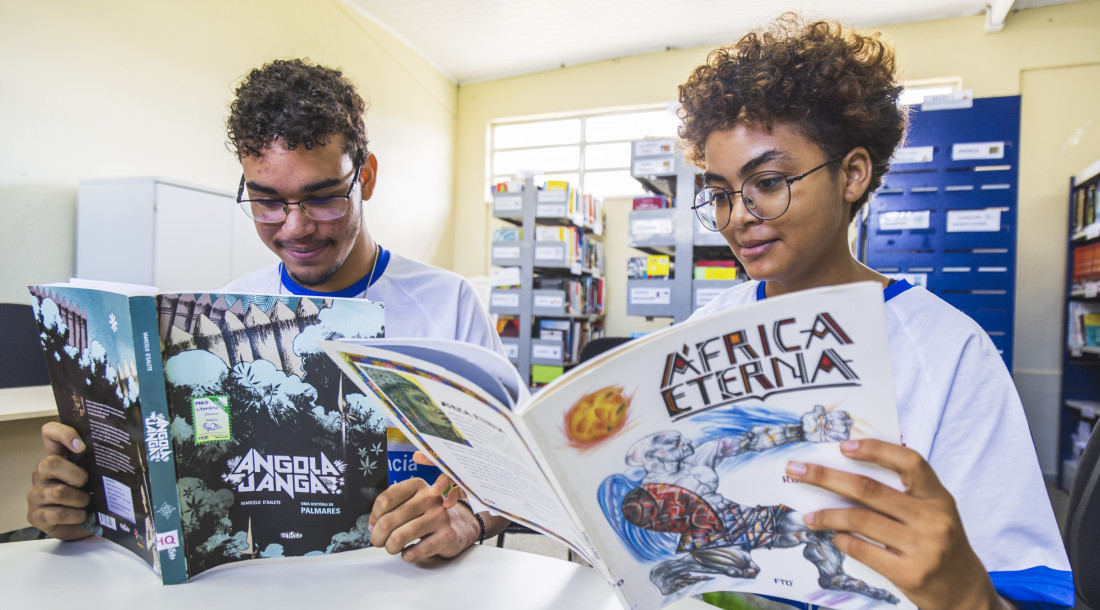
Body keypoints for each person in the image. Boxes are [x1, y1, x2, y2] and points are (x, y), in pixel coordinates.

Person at [26, 58, 508, 562]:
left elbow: (517, 479)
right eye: (266, 201)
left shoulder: (447, 304)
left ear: (365, 177)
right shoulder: (227, 310)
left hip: (411, 579)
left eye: (322, 198)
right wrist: (87, 508)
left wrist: (469, 517)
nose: (294, 228)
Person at [677, 14, 1073, 610]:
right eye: (721, 193)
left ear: (853, 174)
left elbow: (1027, 591)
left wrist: (969, 595)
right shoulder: (705, 329)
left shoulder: (946, 350)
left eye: (768, 181)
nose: (738, 216)